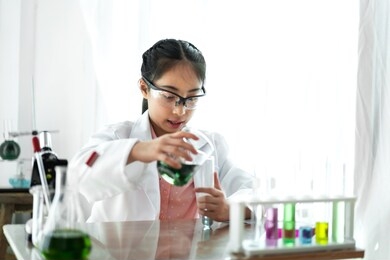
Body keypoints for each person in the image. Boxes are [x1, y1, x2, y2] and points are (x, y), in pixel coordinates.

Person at [69, 39, 254, 223]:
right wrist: (140, 150)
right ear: (144, 88)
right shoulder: (118, 136)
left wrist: (230, 209)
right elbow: (79, 174)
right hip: (120, 252)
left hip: (190, 252)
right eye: (169, 96)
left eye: (192, 98)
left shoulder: (209, 144)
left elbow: (258, 194)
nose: (180, 111)